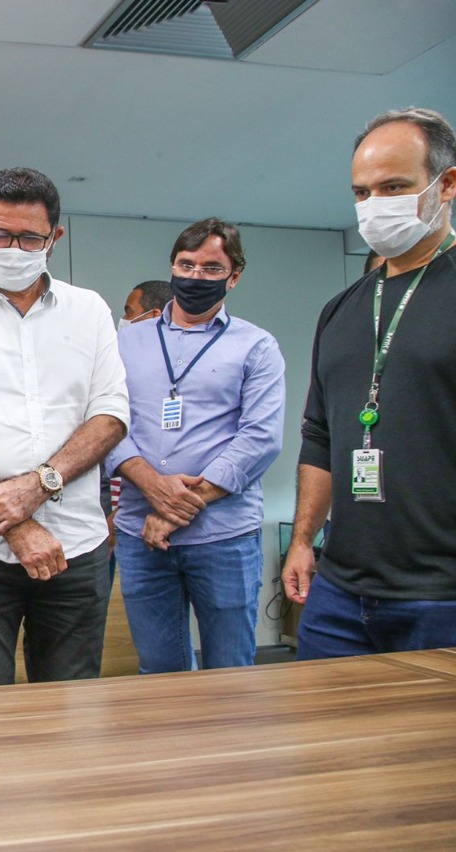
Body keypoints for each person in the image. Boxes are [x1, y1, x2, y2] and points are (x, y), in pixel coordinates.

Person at [0, 167, 129, 686]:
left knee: (72, 699)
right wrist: (15, 524)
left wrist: (36, 488)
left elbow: (111, 416)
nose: (13, 248)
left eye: (29, 237)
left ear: (55, 238)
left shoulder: (90, 310)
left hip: (76, 543)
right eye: (0, 235)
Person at [283, 107, 456, 658]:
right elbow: (319, 434)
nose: (375, 206)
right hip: (339, 590)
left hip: (441, 595)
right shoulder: (341, 310)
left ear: (446, 184)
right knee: (329, 741)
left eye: (394, 187)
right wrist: (303, 540)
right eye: (362, 192)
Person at [107, 220, 285, 673]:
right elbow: (104, 423)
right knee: (159, 671)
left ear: (235, 275)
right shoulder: (125, 341)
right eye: (186, 265)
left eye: (211, 268)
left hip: (223, 535)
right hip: (138, 534)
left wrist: (172, 508)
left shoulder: (257, 346)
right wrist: (151, 486)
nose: (195, 277)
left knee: (229, 672)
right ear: (172, 267)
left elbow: (260, 438)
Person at [105, 280, 173, 561]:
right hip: (125, 514)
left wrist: (113, 521)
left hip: (161, 513)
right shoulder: (120, 367)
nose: (124, 321)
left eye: (129, 311)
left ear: (155, 315)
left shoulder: (171, 377)